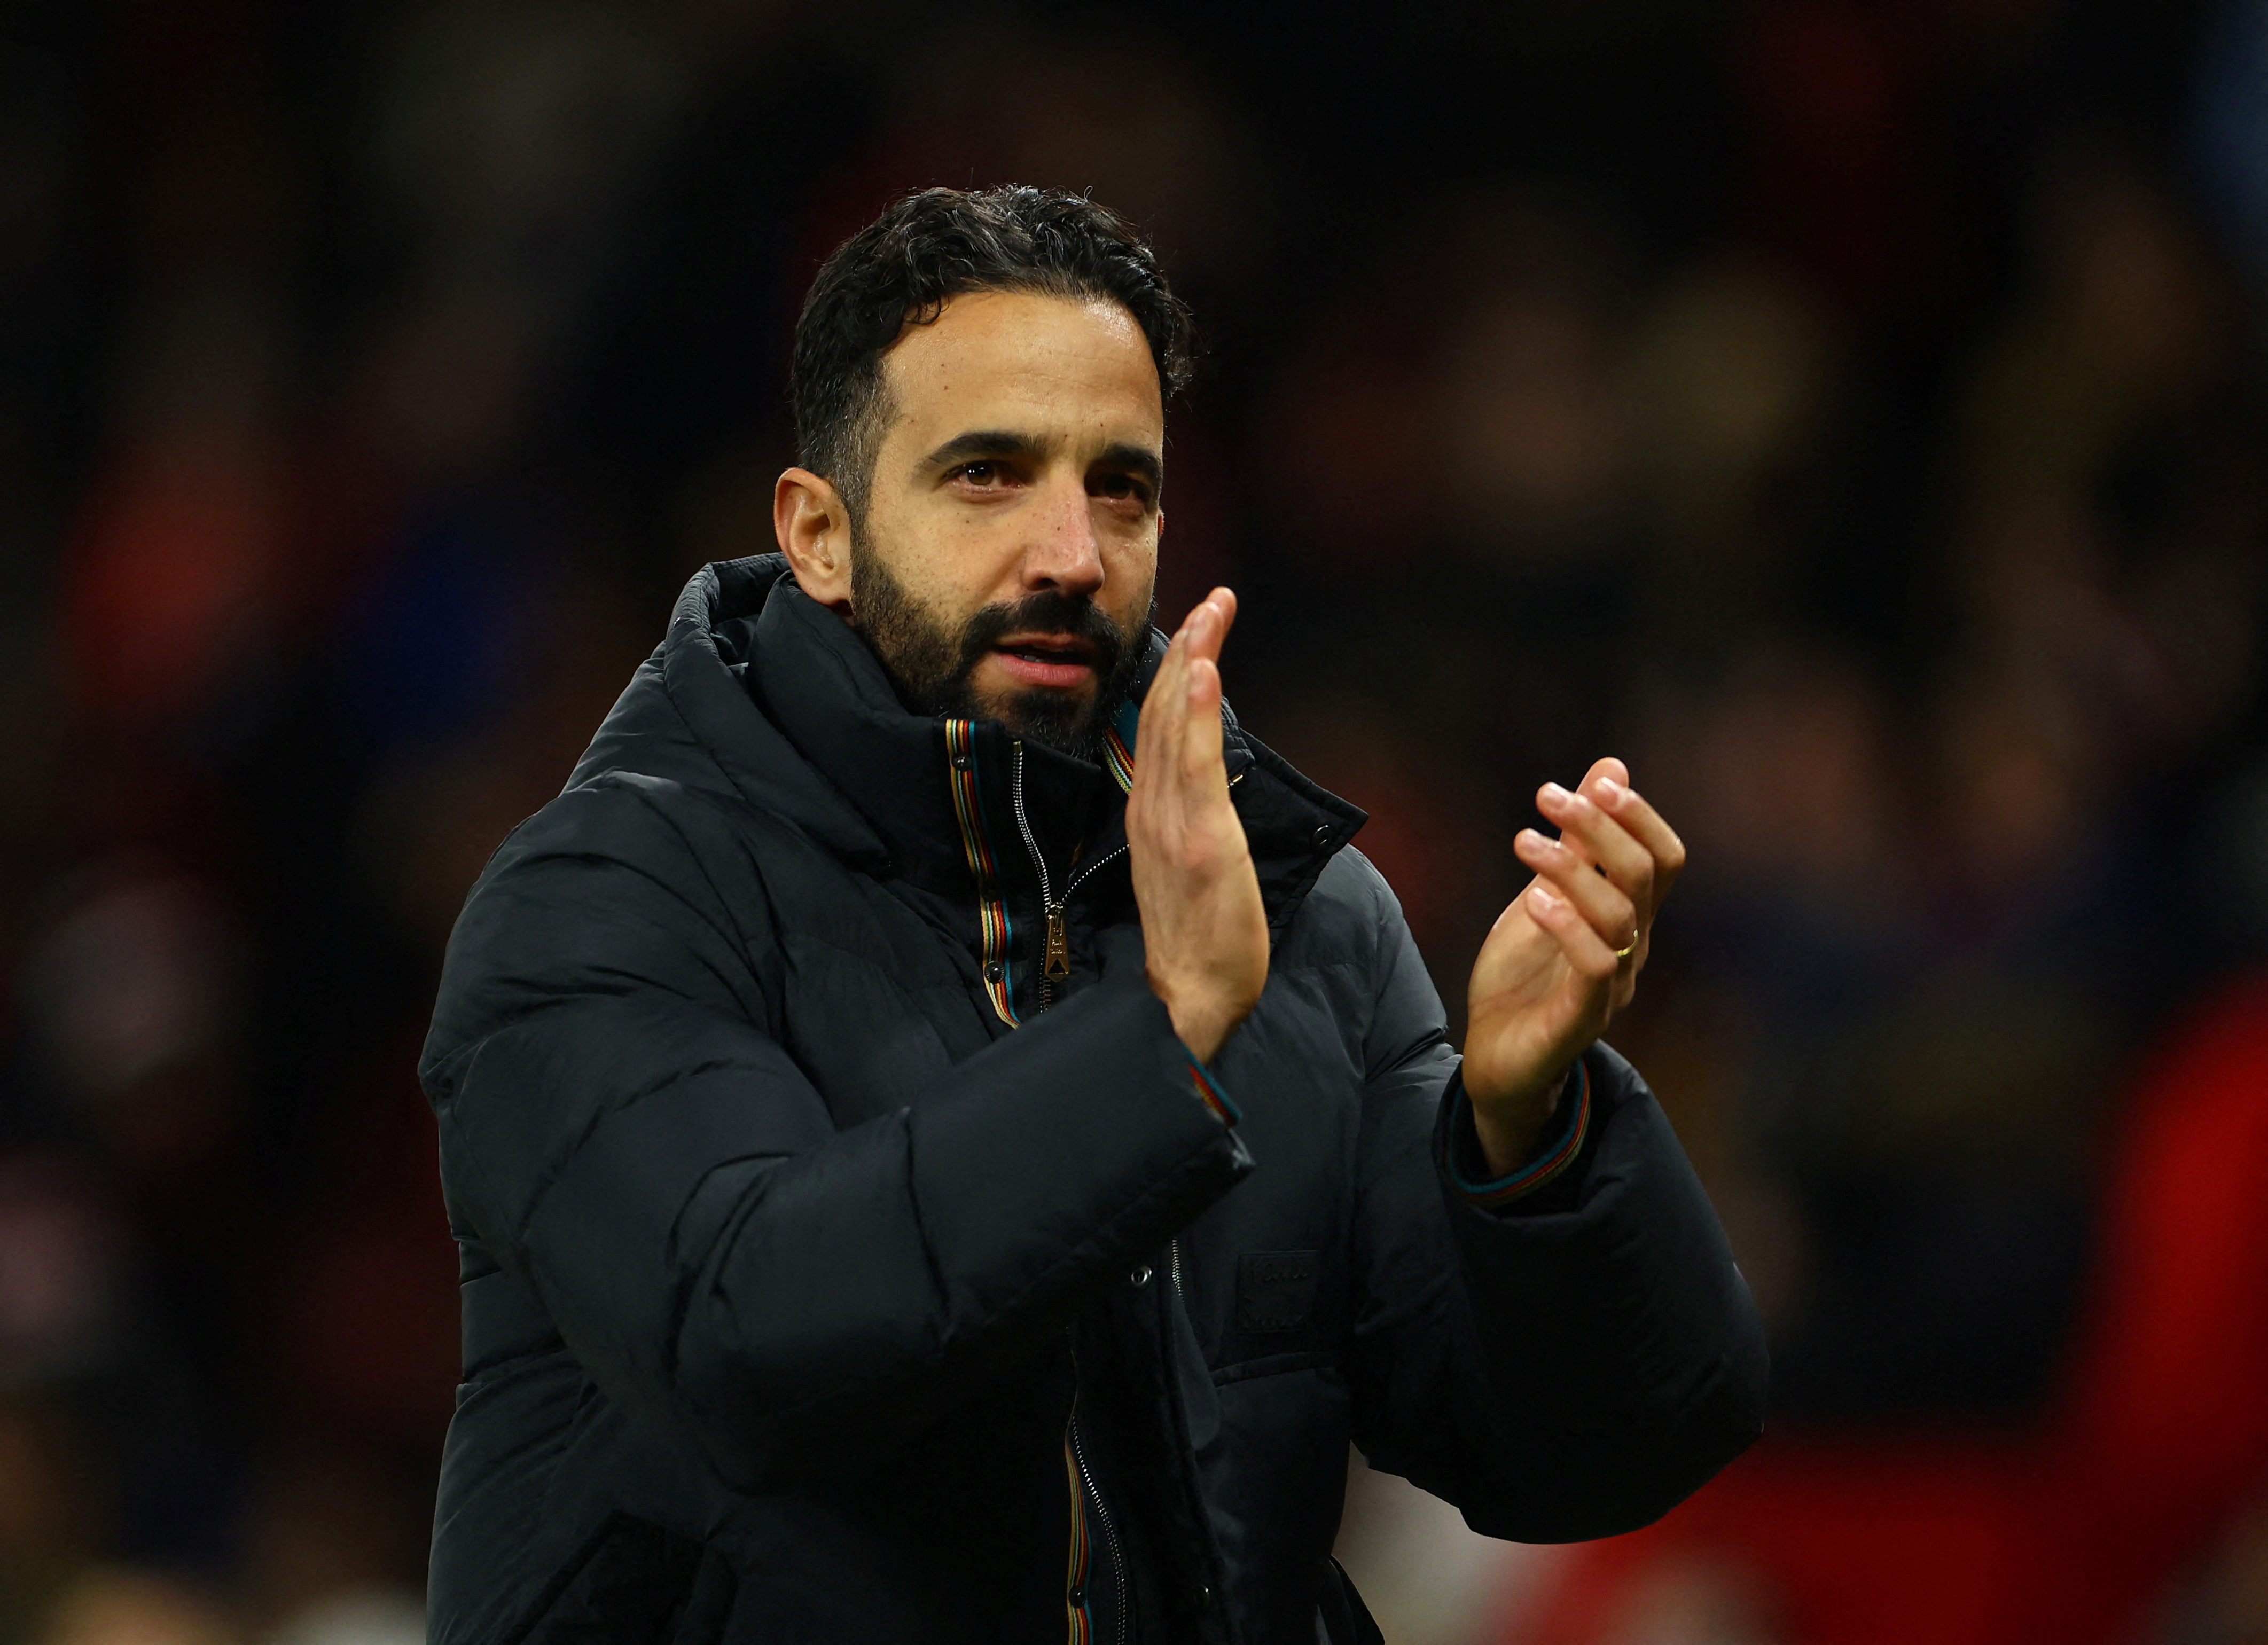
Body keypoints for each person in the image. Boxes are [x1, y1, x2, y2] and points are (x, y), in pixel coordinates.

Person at [419, 185, 1767, 1645]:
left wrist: (1527, 1143)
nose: (1072, 550)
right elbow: (749, 1341)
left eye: (1119, 485)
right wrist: (1163, 1037)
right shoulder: (606, 899)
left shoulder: (1293, 917)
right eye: (987, 475)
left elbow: (1606, 1446)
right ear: (819, 534)